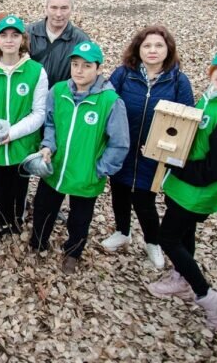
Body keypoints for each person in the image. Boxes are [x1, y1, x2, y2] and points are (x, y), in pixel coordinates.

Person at [147, 44, 217, 332]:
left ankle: (209, 297)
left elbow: (213, 169)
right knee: (185, 235)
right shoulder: (215, 99)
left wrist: (172, 162)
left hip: (197, 190)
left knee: (168, 238)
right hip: (184, 185)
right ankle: (181, 277)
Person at [30, 41, 129, 274]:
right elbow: (51, 123)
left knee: (79, 218)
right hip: (55, 167)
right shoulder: (58, 91)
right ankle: (38, 242)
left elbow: (120, 143)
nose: (79, 70)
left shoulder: (110, 102)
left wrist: (101, 169)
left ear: (98, 69)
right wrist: (48, 146)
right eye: (75, 64)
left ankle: (73, 252)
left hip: (86, 173)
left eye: (86, 65)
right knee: (44, 207)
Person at [100, 26, 194, 268]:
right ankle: (123, 231)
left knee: (144, 200)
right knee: (119, 191)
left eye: (158, 46)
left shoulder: (178, 82)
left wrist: (167, 152)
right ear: (138, 49)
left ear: (168, 49)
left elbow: (185, 121)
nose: (152, 50)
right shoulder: (123, 75)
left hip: (155, 153)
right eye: (147, 46)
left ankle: (153, 241)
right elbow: (106, 104)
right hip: (123, 147)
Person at [0, 16, 48, 238]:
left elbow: (39, 112)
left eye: (15, 35)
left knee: (19, 186)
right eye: (4, 35)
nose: (9, 40)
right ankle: (2, 222)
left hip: (22, 144)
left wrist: (12, 133)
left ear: (22, 39)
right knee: (0, 185)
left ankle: (17, 218)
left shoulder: (36, 71)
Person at [27, 0, 89, 87]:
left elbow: (86, 77)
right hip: (30, 94)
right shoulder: (29, 33)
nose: (58, 14)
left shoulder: (81, 40)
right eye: (54, 8)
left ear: (71, 10)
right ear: (46, 8)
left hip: (62, 97)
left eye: (64, 8)